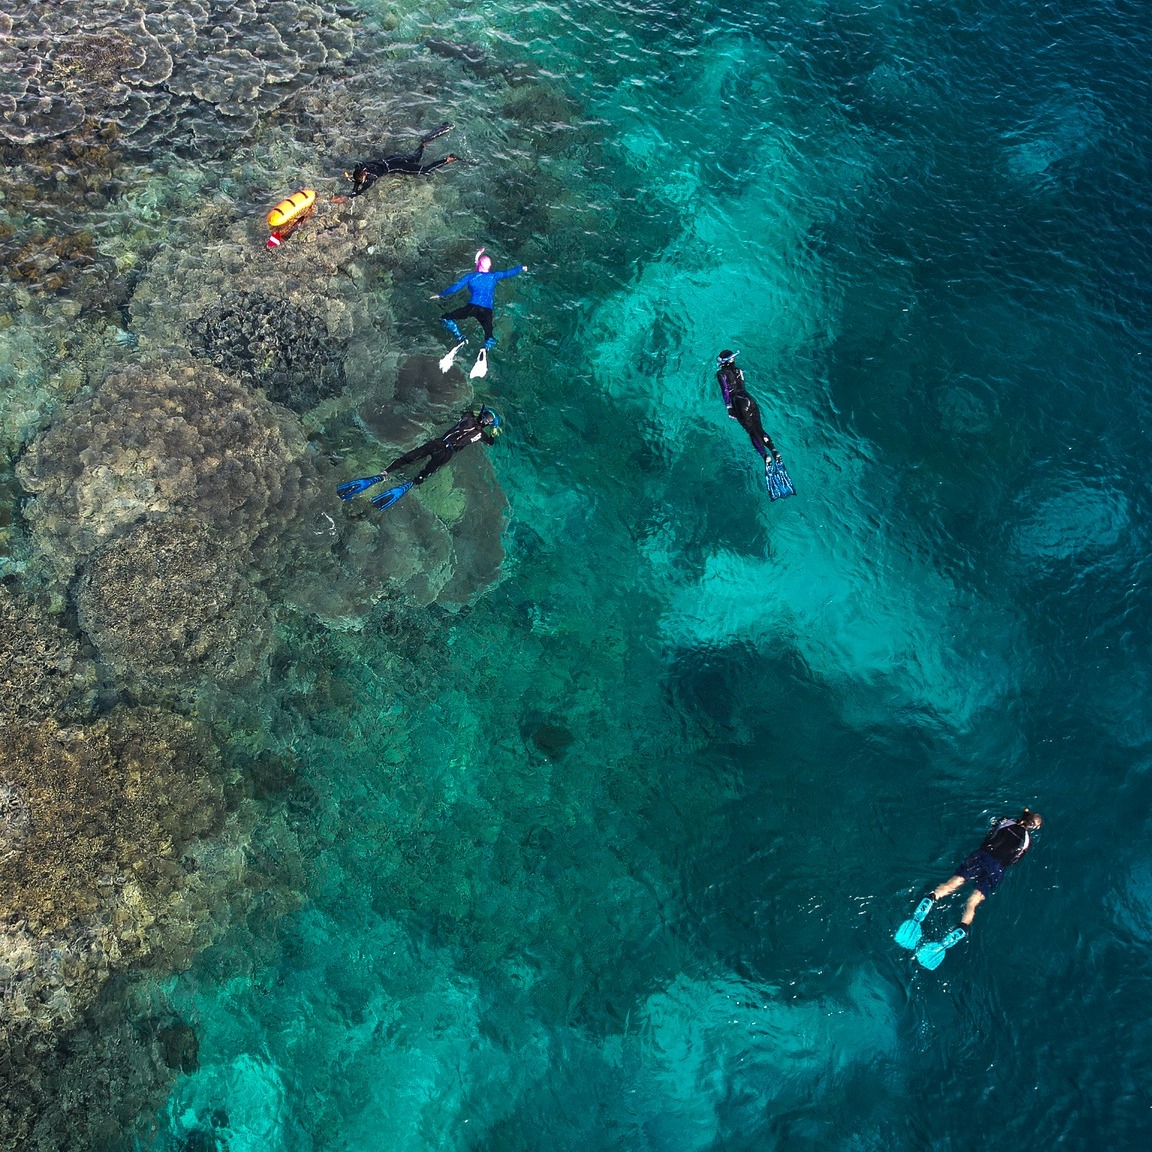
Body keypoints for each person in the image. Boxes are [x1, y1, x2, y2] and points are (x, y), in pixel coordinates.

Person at [335, 407, 502, 511]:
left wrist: (475, 412)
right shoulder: (481, 435)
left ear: (479, 415)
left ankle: (384, 474)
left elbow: (467, 412)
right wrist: (494, 431)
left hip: (438, 443)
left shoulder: (468, 418)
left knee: (408, 458)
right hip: (447, 454)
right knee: (425, 473)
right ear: (487, 425)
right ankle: (412, 483)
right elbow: (491, 442)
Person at [928, 808, 1043, 930]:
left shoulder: (1006, 821)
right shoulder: (1027, 841)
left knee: (955, 882)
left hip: (982, 855)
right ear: (1033, 828)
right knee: (973, 900)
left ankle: (932, 897)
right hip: (997, 868)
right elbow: (1014, 861)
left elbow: (991, 833)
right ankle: (962, 927)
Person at [432, 249, 527, 351]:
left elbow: (455, 288)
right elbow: (509, 273)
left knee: (446, 318)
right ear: (490, 266)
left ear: (478, 264)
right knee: (489, 336)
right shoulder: (494, 276)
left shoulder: (471, 276)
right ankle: (486, 348)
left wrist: (440, 295)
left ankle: (460, 337)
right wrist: (521, 268)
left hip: (472, 308)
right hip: (487, 311)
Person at [340, 123, 458, 198]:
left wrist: (351, 194)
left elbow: (361, 189)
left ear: (365, 174)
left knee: (425, 170)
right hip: (394, 158)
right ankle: (423, 143)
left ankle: (447, 159)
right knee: (415, 158)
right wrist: (354, 181)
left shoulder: (372, 177)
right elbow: (358, 172)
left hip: (398, 166)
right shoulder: (360, 165)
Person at [715, 350, 782, 464]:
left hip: (738, 402)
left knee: (751, 430)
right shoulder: (739, 370)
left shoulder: (721, 373)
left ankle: (765, 456)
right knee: (759, 428)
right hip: (749, 398)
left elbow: (725, 390)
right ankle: (773, 449)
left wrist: (729, 407)